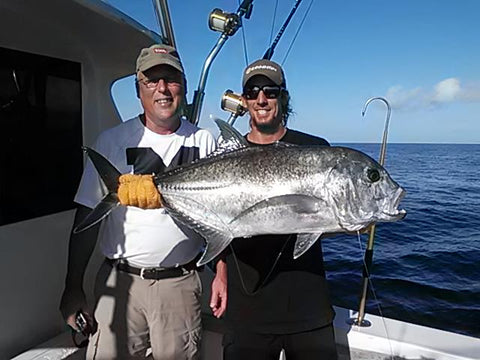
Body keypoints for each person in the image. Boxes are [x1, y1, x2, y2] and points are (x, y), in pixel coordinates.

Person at [59, 44, 224, 359]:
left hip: (180, 283)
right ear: (139, 90)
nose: (162, 88)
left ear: (184, 87)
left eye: (171, 79)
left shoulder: (204, 141)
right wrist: (72, 286)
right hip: (119, 281)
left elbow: (218, 220)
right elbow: (86, 221)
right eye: (152, 80)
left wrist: (222, 273)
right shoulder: (111, 141)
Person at [220, 59, 338, 360]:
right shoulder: (225, 157)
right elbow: (215, 222)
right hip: (246, 309)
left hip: (309, 308)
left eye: (270, 91)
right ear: (244, 101)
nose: (261, 99)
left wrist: (353, 217)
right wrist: (219, 271)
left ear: (283, 97)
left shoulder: (317, 151)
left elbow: (327, 219)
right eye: (253, 92)